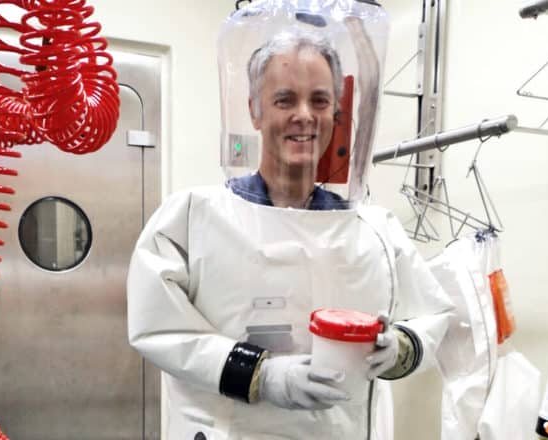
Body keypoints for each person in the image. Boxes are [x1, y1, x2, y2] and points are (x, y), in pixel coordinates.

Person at [127, 28, 453, 440]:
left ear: (336, 111)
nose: (304, 115)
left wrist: (401, 348)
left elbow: (434, 313)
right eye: (284, 100)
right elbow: (157, 327)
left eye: (319, 100)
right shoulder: (193, 217)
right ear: (255, 111)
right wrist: (262, 374)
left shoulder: (373, 230)